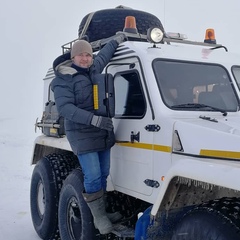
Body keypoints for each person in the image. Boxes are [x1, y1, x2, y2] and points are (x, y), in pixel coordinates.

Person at [51, 34, 125, 235]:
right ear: (73, 57)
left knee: (103, 173)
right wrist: (93, 119)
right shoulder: (63, 79)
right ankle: (99, 217)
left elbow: (104, 56)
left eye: (88, 55)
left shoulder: (93, 69)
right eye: (81, 55)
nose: (85, 58)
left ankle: (103, 212)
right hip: (82, 133)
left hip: (101, 131)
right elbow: (65, 108)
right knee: (92, 176)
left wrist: (117, 40)